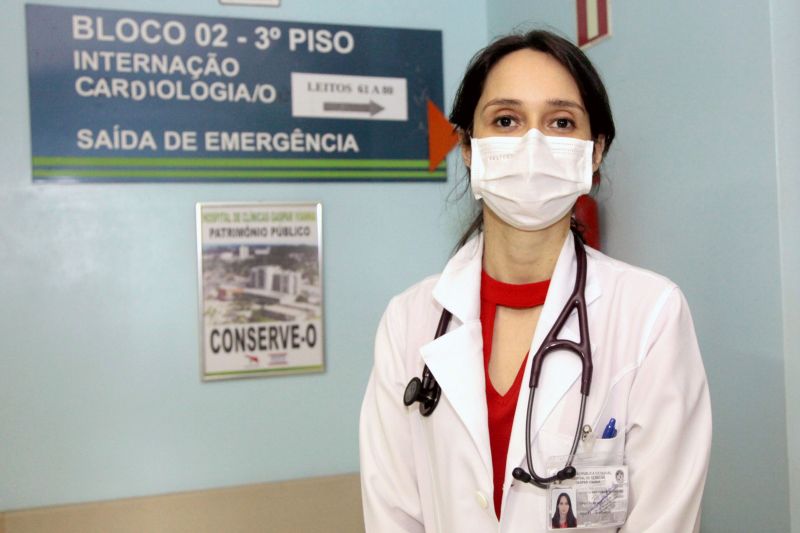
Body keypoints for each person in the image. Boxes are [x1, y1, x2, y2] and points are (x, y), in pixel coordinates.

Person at [360, 29, 711, 532]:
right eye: (506, 120)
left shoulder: (651, 314)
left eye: (560, 122)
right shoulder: (408, 321)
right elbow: (391, 514)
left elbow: (665, 519)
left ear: (594, 153)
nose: (532, 143)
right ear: (466, 146)